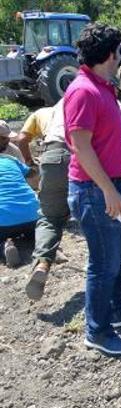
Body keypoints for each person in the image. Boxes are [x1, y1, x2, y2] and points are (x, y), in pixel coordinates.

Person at [64, 23, 121, 355]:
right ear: (109, 54)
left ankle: (119, 310)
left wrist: (118, 183)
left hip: (112, 185)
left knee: (120, 253)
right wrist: (108, 189)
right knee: (103, 263)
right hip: (94, 190)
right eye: (120, 48)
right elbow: (81, 147)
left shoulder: (103, 85)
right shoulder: (83, 91)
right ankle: (97, 331)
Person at [14, 101, 71, 300]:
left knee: (49, 217)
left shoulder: (41, 113)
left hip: (52, 155)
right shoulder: (84, 98)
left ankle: (43, 262)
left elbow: (22, 139)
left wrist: (29, 162)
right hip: (81, 152)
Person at [0, 122, 38, 269]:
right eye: (4, 138)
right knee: (32, 229)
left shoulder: (12, 153)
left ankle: (4, 246)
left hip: (3, 221)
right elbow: (32, 174)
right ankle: (37, 241)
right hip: (31, 215)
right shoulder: (11, 159)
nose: (8, 141)